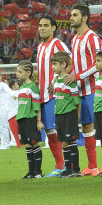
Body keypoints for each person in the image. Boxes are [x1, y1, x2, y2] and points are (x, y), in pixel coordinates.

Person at [67, 5, 101, 175]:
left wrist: (77, 76)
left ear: (85, 18)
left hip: (94, 89)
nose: (71, 18)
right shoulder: (74, 39)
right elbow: (73, 64)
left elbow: (98, 64)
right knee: (86, 128)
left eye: (75, 15)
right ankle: (92, 166)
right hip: (80, 90)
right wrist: (66, 75)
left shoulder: (92, 38)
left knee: (101, 127)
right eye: (71, 15)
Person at [35, 16, 68, 176]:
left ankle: (67, 165)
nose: (42, 28)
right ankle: (60, 166)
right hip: (43, 94)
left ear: (53, 28)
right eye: (40, 25)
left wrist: (56, 81)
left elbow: (70, 62)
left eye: (46, 25)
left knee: (59, 131)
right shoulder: (40, 46)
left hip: (55, 94)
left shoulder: (58, 44)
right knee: (49, 131)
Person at [51, 52, 82, 178]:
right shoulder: (56, 81)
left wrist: (77, 117)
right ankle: (68, 169)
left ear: (63, 64)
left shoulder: (70, 81)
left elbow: (77, 101)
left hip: (69, 115)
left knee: (71, 141)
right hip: (59, 115)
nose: (52, 67)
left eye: (55, 64)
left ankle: (76, 170)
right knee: (64, 142)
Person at [14, 62, 44, 179]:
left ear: (28, 73)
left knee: (34, 143)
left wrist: (39, 120)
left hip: (30, 119)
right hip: (21, 119)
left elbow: (37, 105)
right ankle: (31, 171)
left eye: (20, 72)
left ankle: (38, 171)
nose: (17, 74)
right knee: (27, 145)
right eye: (17, 71)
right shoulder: (21, 88)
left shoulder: (33, 87)